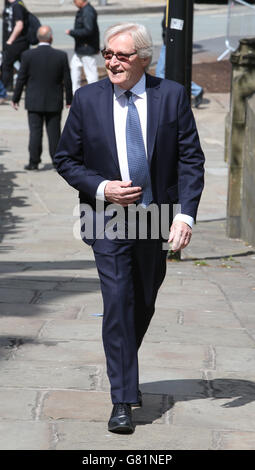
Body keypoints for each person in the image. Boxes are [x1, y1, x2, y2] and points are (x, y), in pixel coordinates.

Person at [54, 23, 205, 434]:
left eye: (120, 55)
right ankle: (123, 399)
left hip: (155, 217)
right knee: (118, 300)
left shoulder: (170, 96)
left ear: (143, 58)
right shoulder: (87, 100)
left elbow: (191, 160)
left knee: (143, 301)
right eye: (107, 55)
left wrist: (185, 215)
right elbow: (66, 159)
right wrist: (102, 188)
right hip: (106, 216)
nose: (111, 62)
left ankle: (120, 358)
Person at [12, 25, 73, 171]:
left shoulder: (27, 55)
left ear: (38, 38)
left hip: (34, 100)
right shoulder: (61, 55)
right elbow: (67, 79)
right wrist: (69, 100)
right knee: (54, 134)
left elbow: (21, 78)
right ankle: (57, 162)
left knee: (35, 132)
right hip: (54, 100)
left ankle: (34, 162)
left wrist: (16, 97)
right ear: (51, 38)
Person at [155, 7, 204, 108]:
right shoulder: (169, 4)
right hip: (169, 41)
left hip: (171, 42)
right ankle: (196, 90)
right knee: (163, 72)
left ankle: (196, 90)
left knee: (160, 72)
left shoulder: (174, 5)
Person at [66, 0, 100, 93]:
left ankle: (94, 94)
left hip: (86, 48)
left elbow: (89, 30)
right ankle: (75, 93)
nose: (74, 2)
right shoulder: (83, 10)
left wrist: (72, 32)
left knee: (91, 74)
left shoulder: (87, 11)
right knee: (74, 68)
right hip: (81, 49)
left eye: (75, 0)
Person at [1, 0, 29, 89]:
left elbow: (19, 25)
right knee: (24, 65)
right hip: (17, 42)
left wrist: (10, 41)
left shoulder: (17, 5)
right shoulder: (11, 4)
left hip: (16, 42)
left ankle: (5, 90)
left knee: (6, 65)